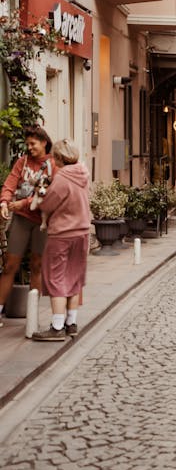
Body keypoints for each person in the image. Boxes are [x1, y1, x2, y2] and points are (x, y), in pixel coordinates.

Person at [32, 139, 90, 341]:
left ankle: (56, 326)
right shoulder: (83, 173)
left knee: (56, 277)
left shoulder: (62, 178)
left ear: (58, 158)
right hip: (82, 231)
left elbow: (47, 205)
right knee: (74, 277)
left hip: (63, 233)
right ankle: (71, 323)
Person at [0, 125, 55, 325]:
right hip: (21, 220)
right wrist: (4, 202)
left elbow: (50, 192)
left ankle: (32, 316)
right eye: (28, 144)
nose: (29, 147)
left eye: (33, 144)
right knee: (10, 265)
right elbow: (10, 183)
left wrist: (21, 203)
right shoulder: (22, 162)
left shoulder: (52, 165)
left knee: (37, 266)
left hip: (42, 222)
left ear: (44, 143)